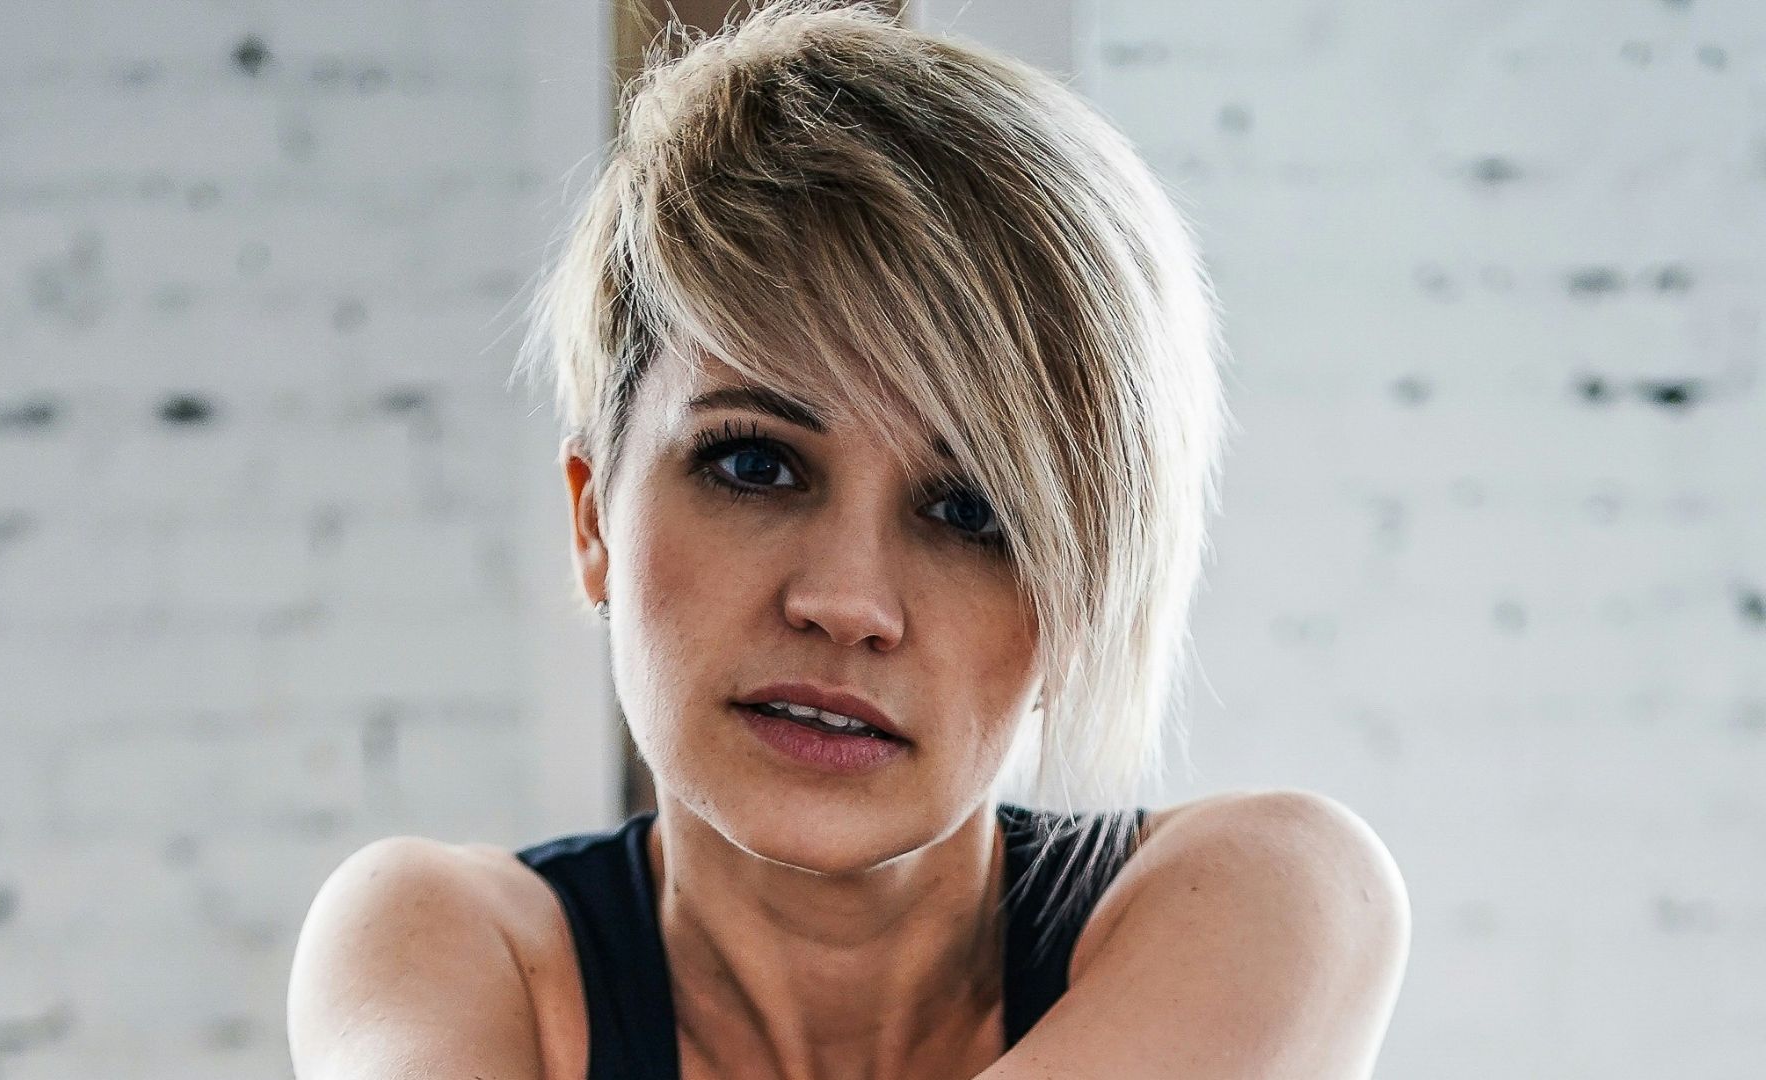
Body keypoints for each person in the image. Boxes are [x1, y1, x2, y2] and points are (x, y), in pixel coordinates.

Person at [287, 3, 1410, 1078]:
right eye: (754, 464)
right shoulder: (440, 949)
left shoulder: (1278, 899)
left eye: (974, 512)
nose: (847, 601)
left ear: (1084, 602)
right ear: (594, 520)